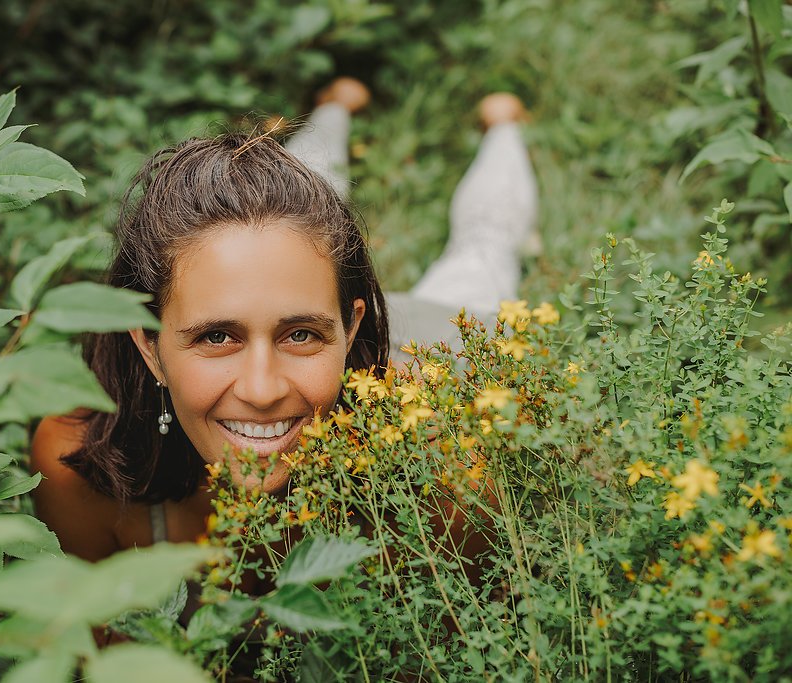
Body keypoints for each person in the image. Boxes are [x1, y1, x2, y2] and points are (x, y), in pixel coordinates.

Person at [30, 79, 537, 567]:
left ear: (349, 329)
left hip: (430, 346)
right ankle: (334, 108)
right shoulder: (77, 467)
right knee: (297, 187)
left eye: (301, 334)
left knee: (483, 251)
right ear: (149, 347)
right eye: (217, 336)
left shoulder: (442, 456)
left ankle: (504, 126)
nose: (262, 389)